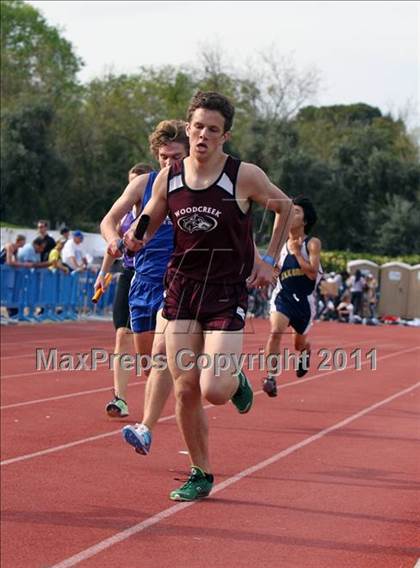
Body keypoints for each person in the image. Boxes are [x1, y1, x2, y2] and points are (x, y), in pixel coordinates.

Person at [119, 91, 293, 501]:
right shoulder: (170, 176)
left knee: (214, 387)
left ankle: (234, 384)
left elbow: (284, 206)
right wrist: (134, 238)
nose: (202, 135)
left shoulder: (242, 175)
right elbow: (153, 212)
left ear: (224, 136)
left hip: (226, 289)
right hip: (181, 288)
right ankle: (201, 472)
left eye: (212, 130)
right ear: (188, 126)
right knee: (184, 387)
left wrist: (269, 260)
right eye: (197, 127)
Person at [100, 120, 189, 428]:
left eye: (176, 156)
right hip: (143, 281)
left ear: (188, 154)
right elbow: (109, 219)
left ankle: (150, 423)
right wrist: (113, 240)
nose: (169, 162)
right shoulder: (144, 184)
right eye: (164, 156)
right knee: (148, 363)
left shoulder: (200, 187)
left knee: (170, 349)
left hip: (180, 280)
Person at [94, 161, 153, 417]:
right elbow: (113, 244)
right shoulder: (125, 214)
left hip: (155, 277)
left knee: (150, 352)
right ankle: (120, 398)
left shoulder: (158, 208)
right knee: (121, 333)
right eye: (129, 183)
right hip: (129, 275)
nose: (131, 188)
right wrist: (103, 272)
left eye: (136, 183)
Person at [262, 196, 322, 398]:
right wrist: (270, 273)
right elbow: (273, 270)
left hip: (304, 301)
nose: (291, 214)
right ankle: (270, 377)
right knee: (275, 332)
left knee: (298, 344)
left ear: (305, 220)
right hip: (283, 297)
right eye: (289, 211)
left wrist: (296, 254)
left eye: (296, 212)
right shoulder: (279, 245)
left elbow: (312, 273)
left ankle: (305, 351)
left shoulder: (311, 244)